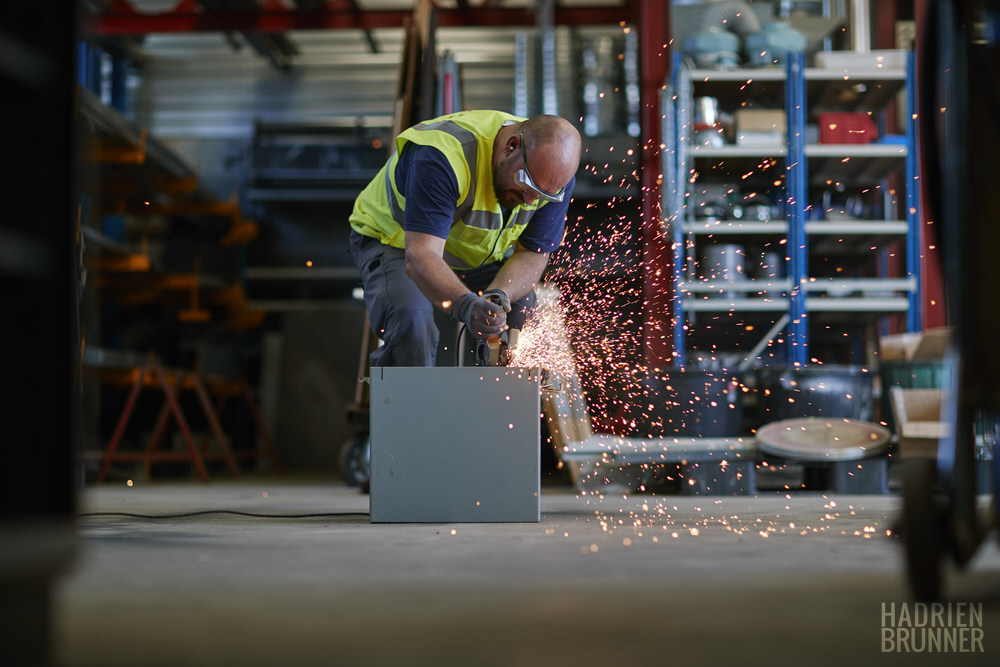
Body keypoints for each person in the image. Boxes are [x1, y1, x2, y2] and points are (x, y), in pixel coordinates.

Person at [348, 110, 582, 367]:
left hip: (469, 256)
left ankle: (494, 402)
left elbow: (532, 254)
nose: (530, 200)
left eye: (542, 195)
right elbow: (421, 256)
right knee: (412, 323)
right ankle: (407, 405)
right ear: (511, 147)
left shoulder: (550, 180)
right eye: (526, 184)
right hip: (396, 242)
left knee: (519, 310)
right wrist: (466, 305)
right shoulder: (442, 156)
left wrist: (498, 297)